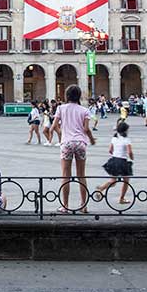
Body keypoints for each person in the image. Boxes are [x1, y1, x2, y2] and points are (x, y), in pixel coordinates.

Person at [53, 84, 95, 214]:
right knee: (81, 175)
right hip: (80, 143)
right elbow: (86, 129)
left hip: (66, 143)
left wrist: (62, 135)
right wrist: (91, 139)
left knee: (66, 175)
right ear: (79, 96)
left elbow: (54, 126)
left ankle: (65, 206)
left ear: (67, 96)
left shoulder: (61, 108)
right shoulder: (84, 110)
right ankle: (83, 205)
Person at [96, 121, 134, 204]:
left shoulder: (114, 138)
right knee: (126, 181)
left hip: (114, 160)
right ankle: (121, 198)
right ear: (125, 130)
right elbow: (130, 152)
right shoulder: (126, 140)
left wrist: (115, 153)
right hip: (122, 161)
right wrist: (131, 158)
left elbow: (110, 150)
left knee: (113, 180)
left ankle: (101, 188)